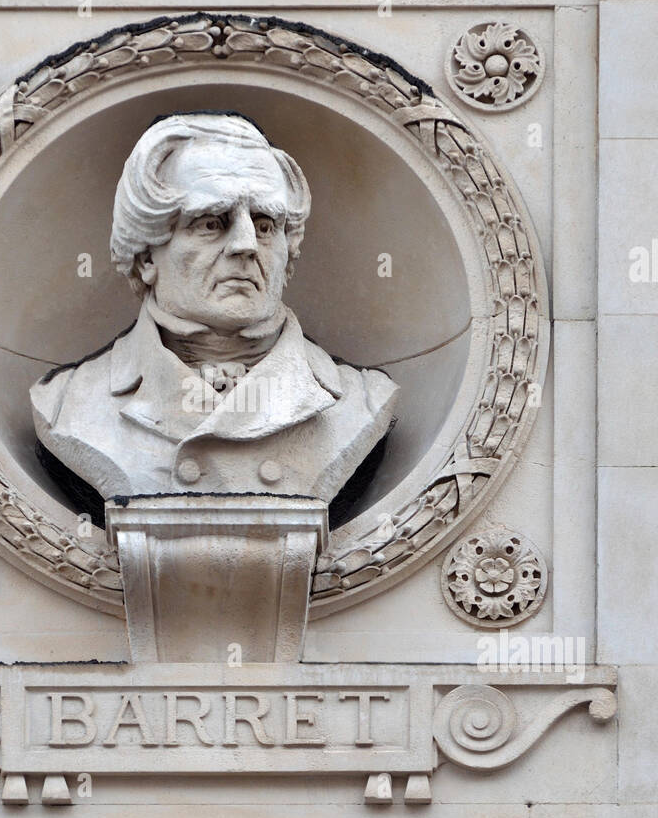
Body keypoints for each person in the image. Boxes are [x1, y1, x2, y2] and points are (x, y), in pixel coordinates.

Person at [30, 112, 397, 523]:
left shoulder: (360, 402)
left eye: (264, 224)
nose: (245, 246)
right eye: (211, 223)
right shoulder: (69, 404)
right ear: (146, 255)